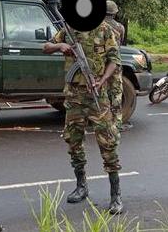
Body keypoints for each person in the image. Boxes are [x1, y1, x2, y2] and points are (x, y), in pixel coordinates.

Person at [43, 21, 123, 214]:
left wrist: (102, 79)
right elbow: (45, 47)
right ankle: (81, 186)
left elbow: (114, 59)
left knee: (108, 142)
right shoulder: (69, 28)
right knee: (73, 140)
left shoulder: (104, 30)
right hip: (74, 96)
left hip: (98, 95)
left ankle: (116, 195)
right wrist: (60, 46)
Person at [105, 0, 126, 131]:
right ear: (114, 13)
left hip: (101, 64)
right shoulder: (120, 27)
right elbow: (120, 43)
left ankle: (103, 121)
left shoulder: (97, 26)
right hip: (115, 64)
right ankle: (117, 123)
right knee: (116, 93)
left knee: (102, 93)